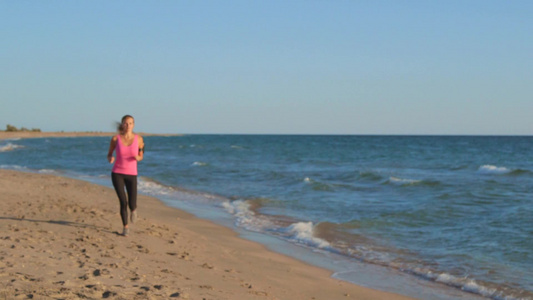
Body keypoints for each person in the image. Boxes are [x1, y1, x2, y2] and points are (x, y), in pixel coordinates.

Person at [107, 115, 145, 237]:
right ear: (122, 124)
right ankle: (125, 227)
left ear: (133, 125)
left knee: (132, 204)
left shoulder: (138, 139)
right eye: (126, 123)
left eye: (130, 123)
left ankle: (133, 210)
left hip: (132, 174)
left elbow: (141, 153)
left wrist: (138, 157)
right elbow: (109, 154)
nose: (128, 126)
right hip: (117, 173)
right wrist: (111, 158)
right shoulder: (115, 139)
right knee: (123, 201)